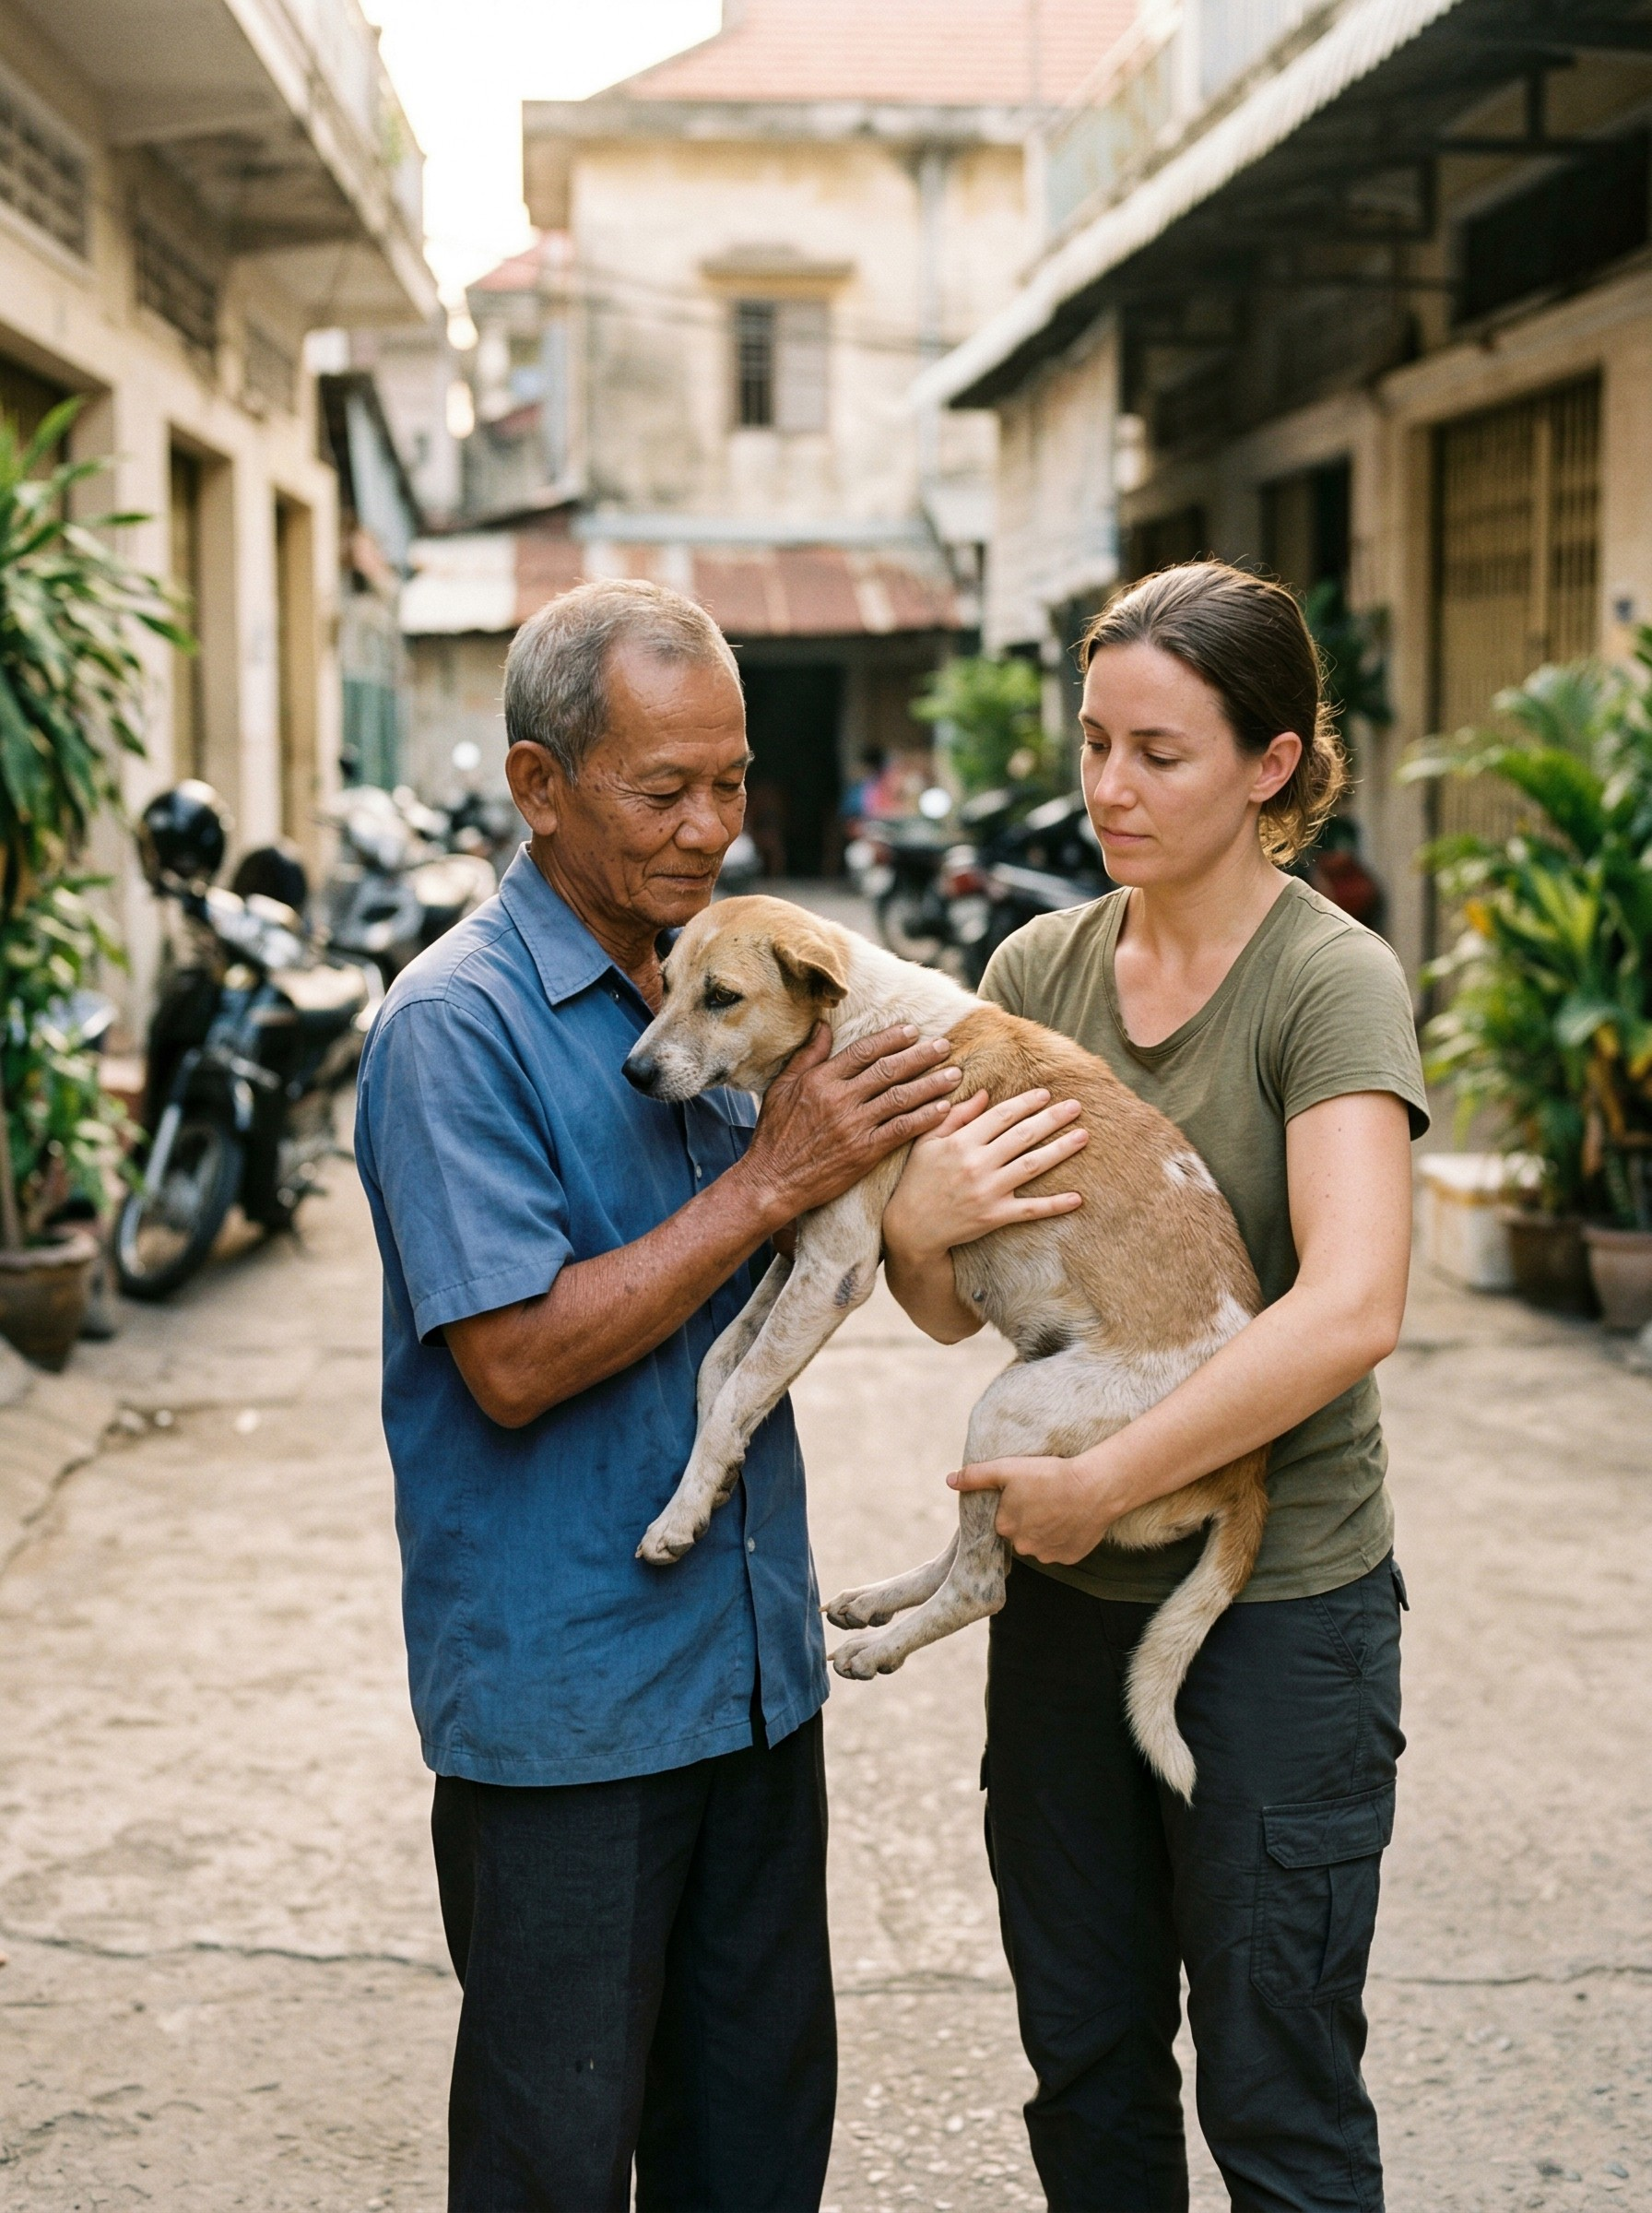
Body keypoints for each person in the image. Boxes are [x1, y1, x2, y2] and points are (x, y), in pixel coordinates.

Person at [353, 577, 963, 2212]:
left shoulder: (728, 979)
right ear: (540, 787)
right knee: (556, 2167)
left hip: (756, 1685)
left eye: (733, 782)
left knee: (754, 2155)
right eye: (661, 790)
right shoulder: (454, 1029)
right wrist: (772, 1184)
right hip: (572, 1722)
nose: (710, 829)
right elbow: (514, 1357)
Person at [879, 561, 1428, 2211]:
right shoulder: (1039, 971)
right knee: (1091, 2075)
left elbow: (1352, 1305)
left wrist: (1105, 1485)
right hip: (1065, 1616)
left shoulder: (1327, 982)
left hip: (1278, 1615)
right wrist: (919, 1219)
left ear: (1271, 766)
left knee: (1277, 2097)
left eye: (1160, 752)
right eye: (1095, 741)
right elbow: (943, 1309)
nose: (1108, 786)